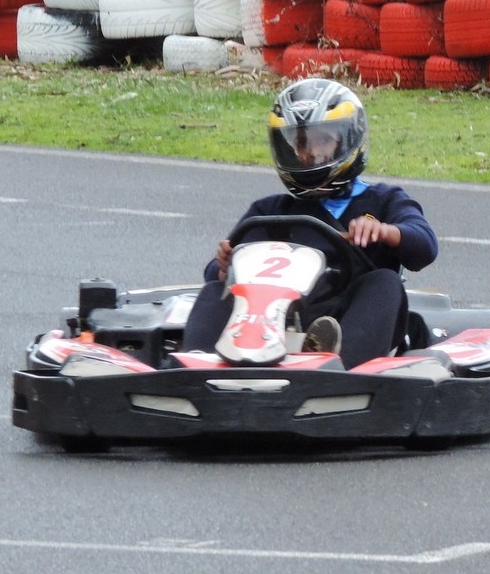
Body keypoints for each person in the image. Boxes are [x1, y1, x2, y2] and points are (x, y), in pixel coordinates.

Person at [183, 78, 438, 369]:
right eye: (302, 142)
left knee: (386, 283)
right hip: (276, 319)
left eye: (323, 140)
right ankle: (195, 372)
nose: (311, 152)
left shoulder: (382, 201)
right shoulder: (270, 211)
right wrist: (224, 268)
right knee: (215, 290)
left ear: (348, 140)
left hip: (349, 317)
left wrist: (387, 232)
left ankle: (340, 369)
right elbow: (213, 273)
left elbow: (425, 247)